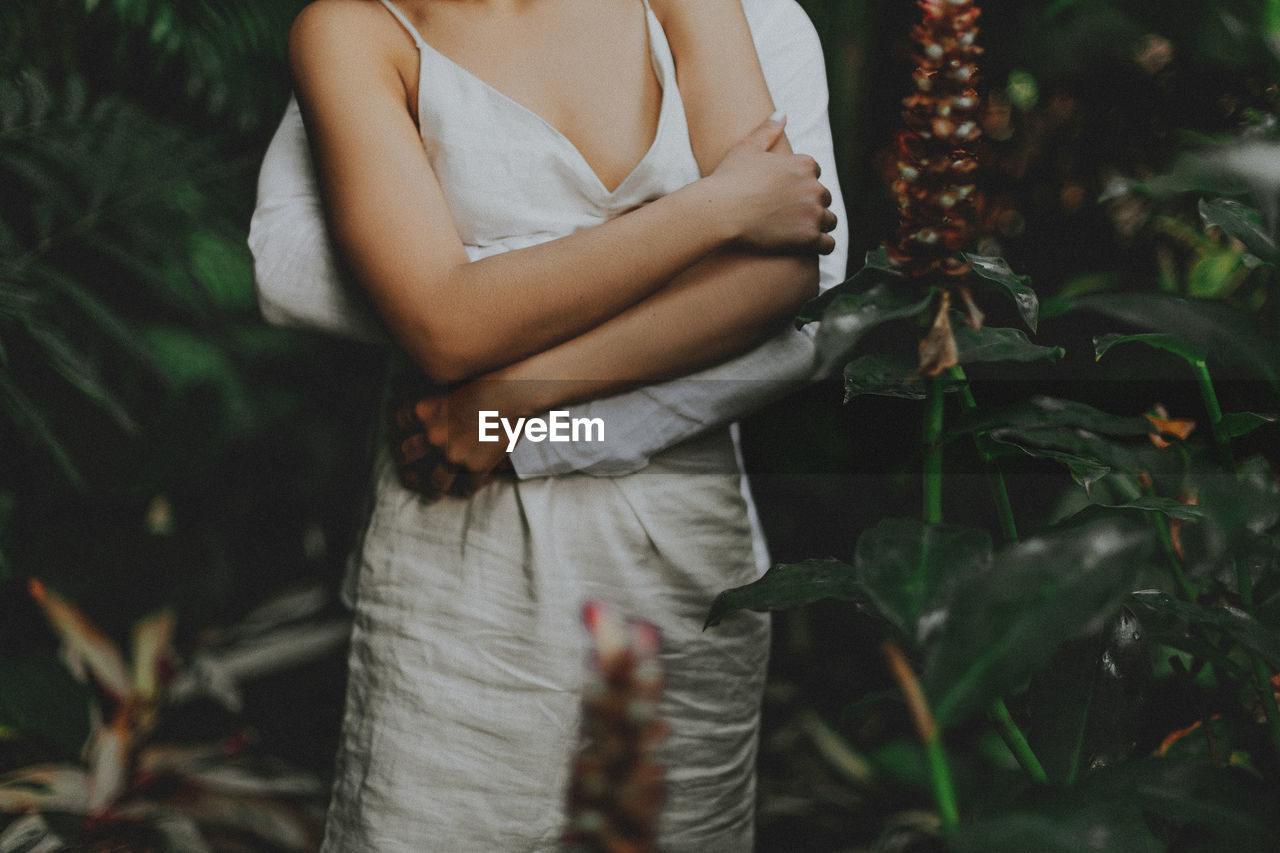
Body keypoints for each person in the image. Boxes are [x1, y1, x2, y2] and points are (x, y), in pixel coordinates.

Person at [249, 0, 848, 849]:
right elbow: (436, 321)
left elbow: (786, 283)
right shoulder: (354, 28)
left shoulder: (726, 11)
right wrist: (711, 212)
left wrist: (516, 402)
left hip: (674, 541)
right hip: (456, 551)